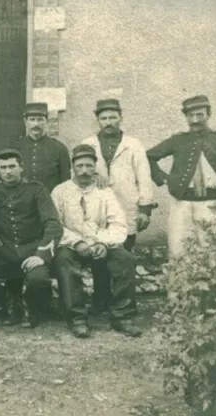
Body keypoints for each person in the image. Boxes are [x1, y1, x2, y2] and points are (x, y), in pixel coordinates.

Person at [51, 144, 141, 338]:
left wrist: (102, 242)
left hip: (100, 243)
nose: (84, 171)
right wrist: (76, 242)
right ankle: (77, 318)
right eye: (80, 165)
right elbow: (55, 225)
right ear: (73, 167)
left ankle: (122, 316)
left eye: (89, 166)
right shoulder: (60, 191)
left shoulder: (104, 192)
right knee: (64, 261)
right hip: (71, 244)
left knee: (125, 259)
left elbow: (118, 222)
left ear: (95, 167)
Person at [80, 99, 155, 314]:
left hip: (127, 207)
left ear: (120, 117)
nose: (109, 122)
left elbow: (144, 177)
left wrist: (145, 208)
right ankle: (100, 300)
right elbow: (77, 170)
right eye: (104, 118)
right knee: (99, 255)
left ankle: (120, 302)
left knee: (123, 256)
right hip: (97, 208)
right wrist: (94, 175)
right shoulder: (88, 143)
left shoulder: (133, 145)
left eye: (113, 117)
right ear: (98, 120)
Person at [0, 148, 63, 328]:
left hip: (32, 248)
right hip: (4, 248)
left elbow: (52, 223)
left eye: (12, 166)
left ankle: (32, 307)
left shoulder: (37, 190)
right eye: (3, 167)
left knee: (37, 279)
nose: (8, 171)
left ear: (21, 167)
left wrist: (41, 255)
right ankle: (10, 303)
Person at [146, 95, 216, 259]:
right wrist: (163, 178)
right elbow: (148, 157)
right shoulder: (177, 140)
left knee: (214, 250)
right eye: (191, 115)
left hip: (214, 203)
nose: (195, 120)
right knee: (179, 249)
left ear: (208, 114)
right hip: (182, 203)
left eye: (200, 115)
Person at [7, 102, 70, 193]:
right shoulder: (14, 147)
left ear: (47, 121)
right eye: (32, 120)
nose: (36, 124)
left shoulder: (59, 148)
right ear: (25, 122)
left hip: (49, 200)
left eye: (40, 120)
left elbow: (65, 183)